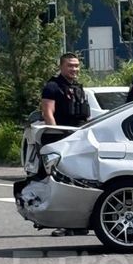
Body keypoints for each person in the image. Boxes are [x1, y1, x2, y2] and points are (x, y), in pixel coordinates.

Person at [41, 53, 90, 237]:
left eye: (76, 66)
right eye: (70, 66)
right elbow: (48, 113)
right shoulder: (52, 87)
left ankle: (79, 224)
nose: (74, 69)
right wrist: (58, 140)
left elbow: (86, 117)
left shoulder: (78, 87)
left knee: (80, 183)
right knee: (61, 183)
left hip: (78, 140)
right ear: (61, 66)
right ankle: (62, 223)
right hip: (62, 141)